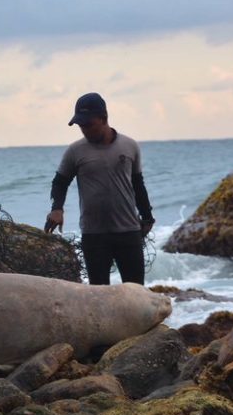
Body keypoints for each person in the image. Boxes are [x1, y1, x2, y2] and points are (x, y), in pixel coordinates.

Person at [43, 92, 155, 285]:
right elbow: (60, 182)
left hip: (128, 231)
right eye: (80, 126)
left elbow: (138, 184)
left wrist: (147, 216)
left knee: (136, 292)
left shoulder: (129, 146)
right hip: (94, 235)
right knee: (98, 296)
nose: (85, 130)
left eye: (89, 124)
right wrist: (57, 209)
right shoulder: (75, 151)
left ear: (104, 119)